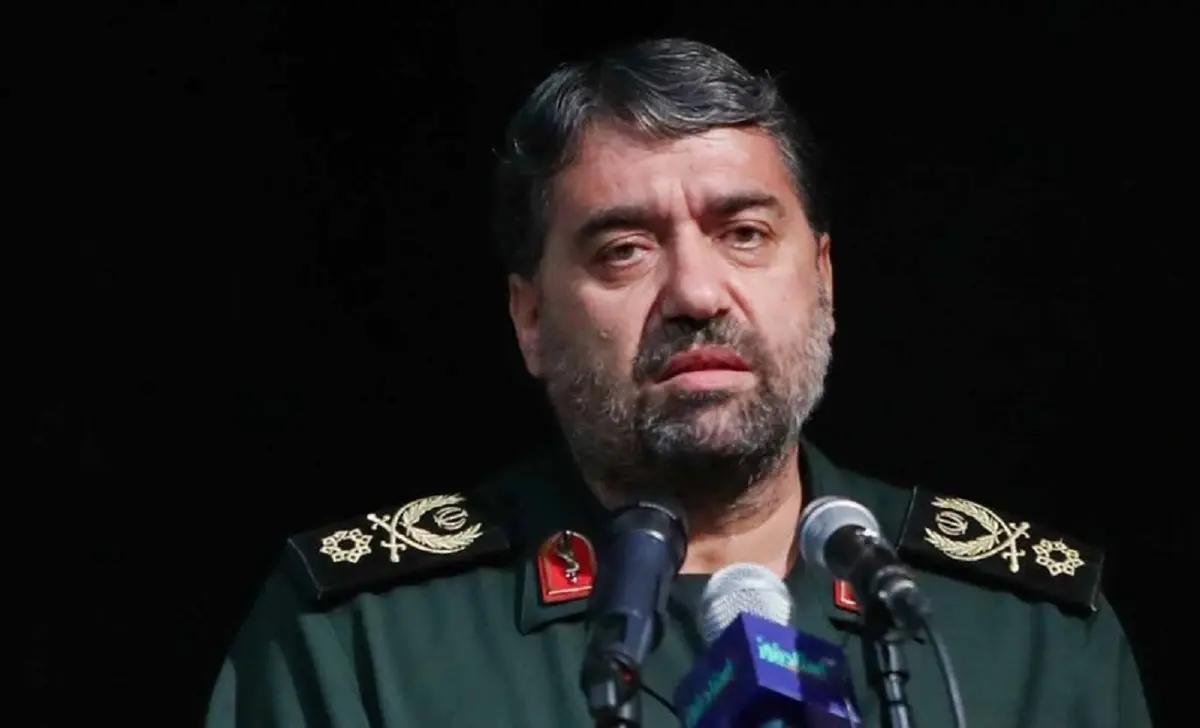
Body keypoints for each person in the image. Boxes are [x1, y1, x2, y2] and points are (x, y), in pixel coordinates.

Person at [204, 38, 1152, 728]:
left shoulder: (1022, 634)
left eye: (744, 234)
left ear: (822, 280)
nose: (697, 293)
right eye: (625, 249)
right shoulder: (364, 640)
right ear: (530, 319)